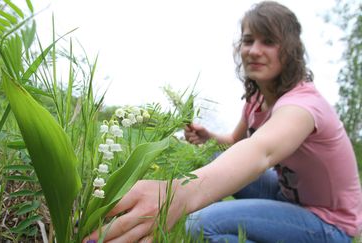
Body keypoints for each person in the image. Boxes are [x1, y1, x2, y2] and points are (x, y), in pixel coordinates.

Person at [83, 1, 362, 242]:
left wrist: (179, 195)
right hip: (286, 195)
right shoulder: (256, 102)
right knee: (215, 157)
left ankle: (203, 222)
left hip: (329, 224)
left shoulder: (303, 105)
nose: (254, 50)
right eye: (248, 40)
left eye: (268, 41)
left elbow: (261, 152)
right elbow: (235, 143)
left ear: (289, 50)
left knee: (196, 225)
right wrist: (209, 136)